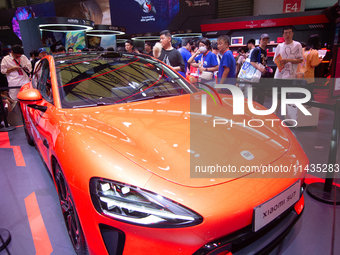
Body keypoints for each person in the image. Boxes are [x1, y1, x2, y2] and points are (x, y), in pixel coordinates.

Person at [249, 33, 272, 105]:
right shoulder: (256, 50)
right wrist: (260, 68)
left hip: (261, 77)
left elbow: (263, 62)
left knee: (261, 96)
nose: (265, 41)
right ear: (260, 40)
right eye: (263, 40)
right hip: (256, 77)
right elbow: (252, 62)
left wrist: (266, 68)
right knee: (253, 96)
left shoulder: (264, 51)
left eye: (266, 40)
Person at [299, 34, 322, 100]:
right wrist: (320, 60)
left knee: (302, 93)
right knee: (308, 94)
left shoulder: (302, 49)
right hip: (308, 76)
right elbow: (314, 64)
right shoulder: (315, 52)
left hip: (300, 75)